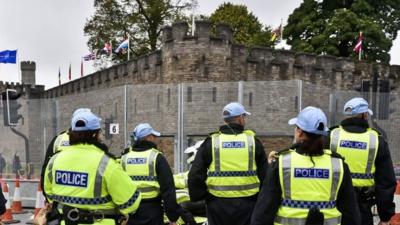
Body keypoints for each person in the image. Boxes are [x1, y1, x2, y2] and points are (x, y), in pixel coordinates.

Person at [250, 106, 361, 225]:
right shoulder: (338, 165)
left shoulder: (282, 164)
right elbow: (351, 214)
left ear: (300, 132)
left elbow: (264, 212)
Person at [44, 110, 142, 225]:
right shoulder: (106, 164)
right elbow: (130, 203)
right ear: (95, 134)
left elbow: (49, 195)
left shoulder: (55, 160)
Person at [188, 102, 267, 225]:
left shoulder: (212, 142)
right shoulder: (252, 142)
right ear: (240, 118)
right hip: (248, 204)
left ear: (226, 120)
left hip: (217, 204)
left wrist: (203, 197)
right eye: (244, 117)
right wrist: (262, 200)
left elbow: (195, 175)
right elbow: (265, 176)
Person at [328, 97, 396, 225]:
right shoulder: (376, 141)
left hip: (333, 208)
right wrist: (385, 216)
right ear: (365, 115)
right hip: (362, 210)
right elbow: (385, 182)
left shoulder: (331, 136)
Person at [120, 123, 190, 225]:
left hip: (131, 211)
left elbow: (119, 186)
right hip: (152, 211)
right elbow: (167, 189)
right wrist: (172, 217)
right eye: (154, 136)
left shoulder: (124, 158)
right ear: (148, 138)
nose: (156, 139)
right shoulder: (156, 157)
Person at [40, 108, 91, 195]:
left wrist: (47, 197)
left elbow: (46, 169)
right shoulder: (94, 140)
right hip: (85, 193)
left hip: (61, 195)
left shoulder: (58, 139)